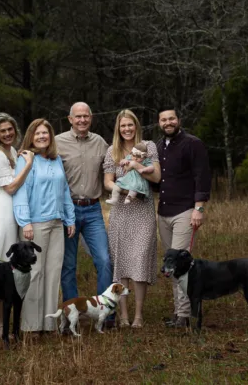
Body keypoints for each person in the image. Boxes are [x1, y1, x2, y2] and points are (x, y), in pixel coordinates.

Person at [12, 118, 76, 332]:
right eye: (37, 133)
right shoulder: (26, 159)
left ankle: (49, 324)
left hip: (57, 223)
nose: (42, 137)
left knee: (53, 272)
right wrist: (25, 222)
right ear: (31, 136)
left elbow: (64, 190)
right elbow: (20, 192)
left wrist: (70, 218)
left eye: (45, 133)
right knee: (35, 272)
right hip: (35, 224)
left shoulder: (56, 159)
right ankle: (31, 325)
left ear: (50, 136)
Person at [103, 109, 161, 328]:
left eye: (130, 125)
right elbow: (107, 181)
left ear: (136, 126)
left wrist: (137, 165)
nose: (127, 129)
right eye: (123, 125)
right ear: (118, 128)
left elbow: (156, 176)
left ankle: (138, 314)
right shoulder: (112, 151)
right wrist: (118, 188)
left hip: (143, 209)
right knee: (121, 260)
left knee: (140, 257)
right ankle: (123, 315)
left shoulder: (148, 147)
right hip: (122, 210)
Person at [55, 102, 113, 318]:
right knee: (68, 265)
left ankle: (105, 313)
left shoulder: (100, 143)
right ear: (70, 119)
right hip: (67, 211)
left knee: (105, 260)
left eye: (85, 116)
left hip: (92, 210)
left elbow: (112, 170)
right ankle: (73, 313)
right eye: (77, 117)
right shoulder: (57, 142)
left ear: (91, 117)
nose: (81, 120)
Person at [0, 112, 34, 338]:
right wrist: (28, 165)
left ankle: (13, 320)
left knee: (13, 266)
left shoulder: (13, 151)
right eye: (3, 131)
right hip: (1, 212)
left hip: (15, 212)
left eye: (10, 129)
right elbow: (10, 188)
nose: (8, 133)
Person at [155, 107, 212, 329]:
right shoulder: (159, 147)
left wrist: (199, 208)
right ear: (159, 123)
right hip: (163, 213)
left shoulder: (192, 144)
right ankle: (179, 312)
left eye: (171, 118)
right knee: (170, 265)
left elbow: (202, 176)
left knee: (180, 265)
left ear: (178, 120)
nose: (168, 122)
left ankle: (185, 316)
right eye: (163, 120)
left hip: (185, 211)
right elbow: (156, 180)